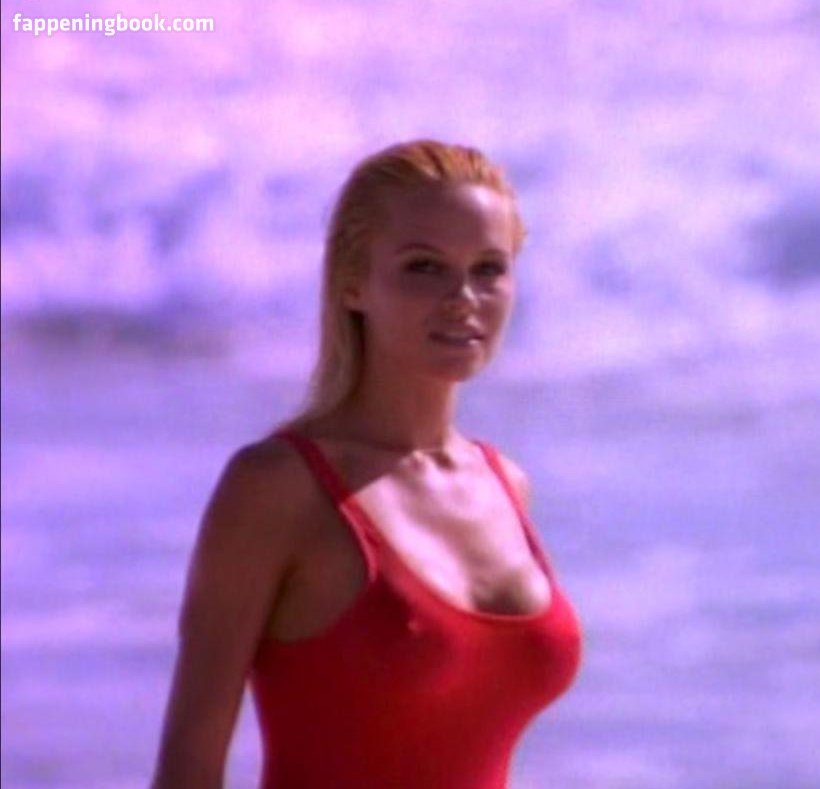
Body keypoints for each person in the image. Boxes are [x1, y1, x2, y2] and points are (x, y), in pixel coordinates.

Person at [151, 139, 583, 788]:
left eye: (488, 268)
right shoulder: (279, 487)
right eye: (423, 267)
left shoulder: (505, 484)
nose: (463, 296)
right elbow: (187, 773)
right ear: (353, 283)